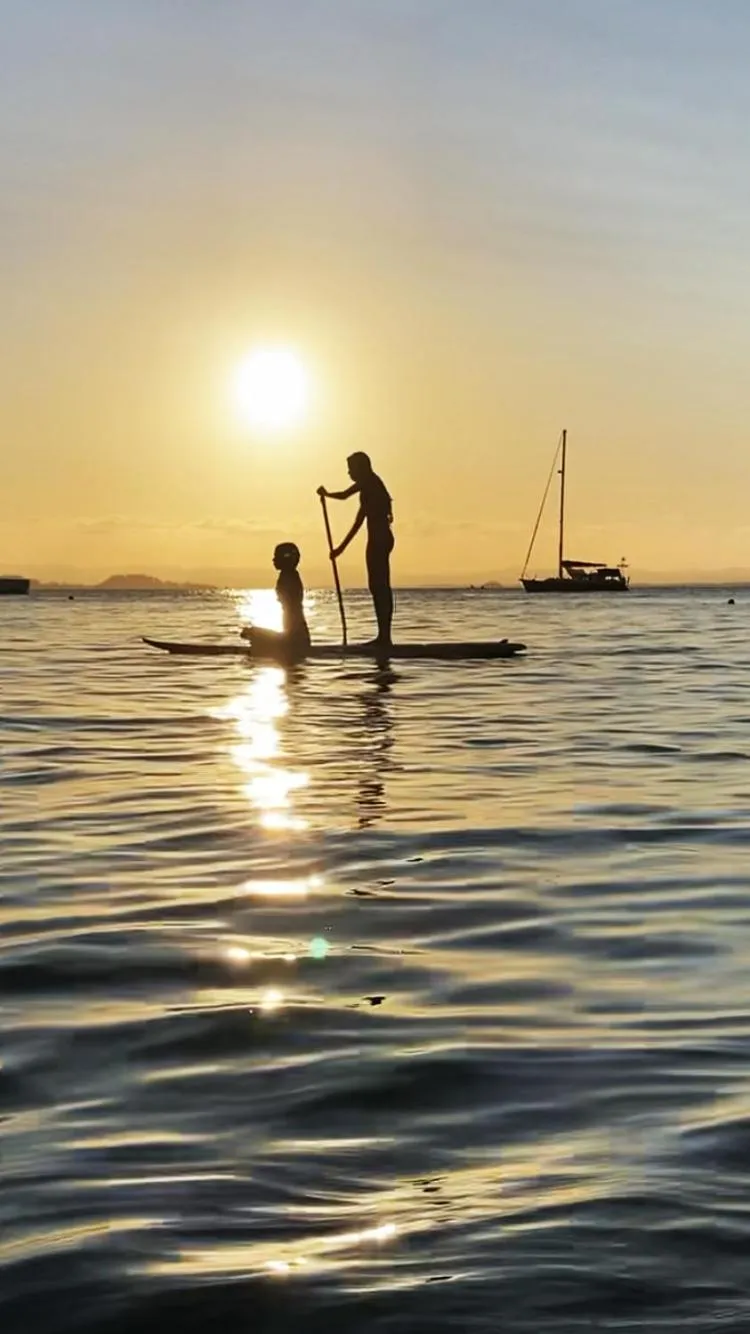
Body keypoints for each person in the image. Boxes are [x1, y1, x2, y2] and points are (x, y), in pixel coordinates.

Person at [318, 452, 394, 647]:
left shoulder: (370, 482)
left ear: (362, 468)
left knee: (380, 587)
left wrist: (326, 494)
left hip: (380, 540)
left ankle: (385, 638)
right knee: (376, 587)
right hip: (377, 540)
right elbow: (358, 522)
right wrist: (340, 549)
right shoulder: (368, 490)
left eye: (351, 469)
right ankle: (383, 636)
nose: (349, 473)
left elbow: (344, 495)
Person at [241, 542, 311, 661]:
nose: (273, 560)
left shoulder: (289, 577)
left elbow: (292, 631)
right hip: (295, 638)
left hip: (295, 641)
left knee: (250, 633)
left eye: (276, 556)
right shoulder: (289, 575)